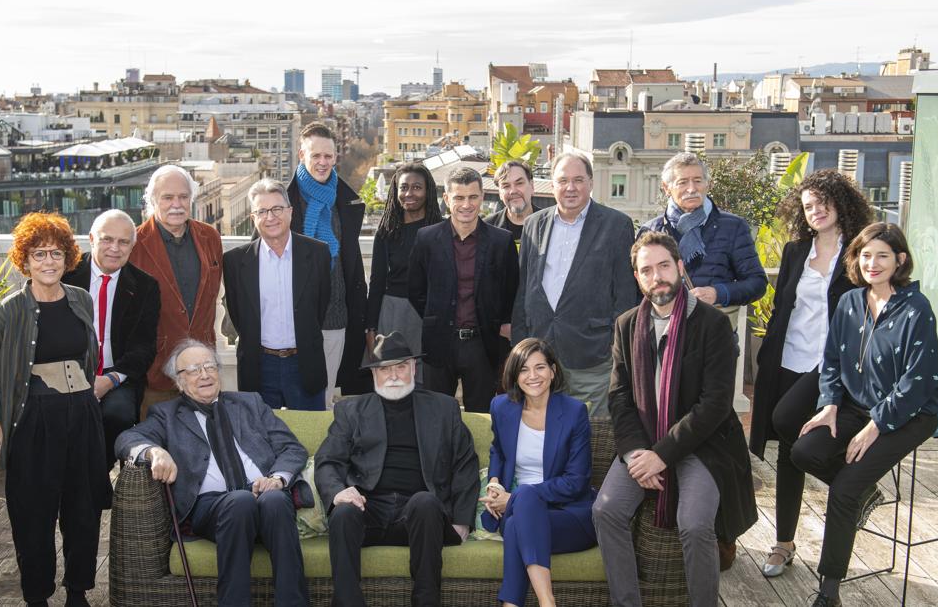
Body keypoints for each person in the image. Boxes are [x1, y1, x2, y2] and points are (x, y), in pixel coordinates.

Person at [593, 231, 757, 607]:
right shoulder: (627, 324)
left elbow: (714, 404)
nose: (657, 276)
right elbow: (619, 395)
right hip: (643, 442)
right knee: (606, 510)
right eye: (646, 270)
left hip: (702, 444)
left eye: (664, 265)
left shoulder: (712, 324)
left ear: (681, 267)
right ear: (637, 278)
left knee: (697, 524)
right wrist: (636, 453)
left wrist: (662, 454)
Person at [792, 223, 938, 607]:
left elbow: (919, 380)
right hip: (855, 407)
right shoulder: (850, 302)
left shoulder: (916, 309)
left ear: (900, 261)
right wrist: (829, 405)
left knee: (843, 490)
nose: (872, 263)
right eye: (865, 254)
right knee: (803, 452)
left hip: (908, 414)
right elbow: (832, 361)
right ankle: (866, 491)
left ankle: (828, 592)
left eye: (883, 255)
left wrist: (877, 426)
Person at [115, 338, 310, 607]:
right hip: (211, 507)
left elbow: (291, 447)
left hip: (265, 496)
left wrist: (277, 478)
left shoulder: (250, 403)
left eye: (209, 366)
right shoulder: (166, 414)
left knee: (276, 500)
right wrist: (153, 451)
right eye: (194, 369)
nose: (205, 374)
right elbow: (126, 438)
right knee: (239, 502)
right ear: (179, 381)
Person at [749, 170, 872, 577]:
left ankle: (853, 485)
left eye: (823, 202)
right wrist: (766, 358)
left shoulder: (859, 253)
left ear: (841, 203)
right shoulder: (795, 250)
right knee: (787, 451)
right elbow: (784, 307)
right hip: (787, 359)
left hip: (830, 365)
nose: (815, 210)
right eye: (807, 206)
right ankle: (783, 543)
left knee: (787, 424)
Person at [0, 212, 111, 607]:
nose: (48, 262)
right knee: (33, 515)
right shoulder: (8, 311)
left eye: (56, 253)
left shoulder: (81, 300)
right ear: (24, 260)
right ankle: (37, 596)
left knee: (83, 511)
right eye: (38, 254)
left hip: (81, 415)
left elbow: (89, 358)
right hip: (34, 420)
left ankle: (78, 592)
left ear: (68, 257)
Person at [315, 331, 481, 607]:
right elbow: (327, 460)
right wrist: (338, 493)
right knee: (344, 513)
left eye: (401, 367)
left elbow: (465, 464)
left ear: (414, 368)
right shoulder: (351, 410)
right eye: (384, 369)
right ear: (374, 375)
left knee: (425, 502)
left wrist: (462, 520)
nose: (393, 375)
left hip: (419, 517)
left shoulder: (444, 408)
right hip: (368, 509)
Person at [512, 149, 641, 416]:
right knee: (544, 431)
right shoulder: (534, 224)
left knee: (591, 437)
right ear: (553, 184)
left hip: (592, 357)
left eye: (578, 180)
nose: (570, 187)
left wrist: (614, 347)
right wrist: (521, 344)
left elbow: (626, 296)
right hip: (541, 355)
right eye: (562, 180)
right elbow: (524, 288)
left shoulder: (617, 225)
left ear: (591, 183)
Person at [482, 338, 597, 607]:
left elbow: (577, 482)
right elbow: (498, 449)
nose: (532, 376)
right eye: (523, 369)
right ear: (514, 374)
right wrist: (495, 481)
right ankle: (547, 603)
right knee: (520, 511)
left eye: (540, 367)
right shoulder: (501, 407)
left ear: (553, 371)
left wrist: (515, 498)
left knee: (514, 524)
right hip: (520, 509)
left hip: (569, 514)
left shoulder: (573, 412)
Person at [408, 166, 519, 412]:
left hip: (483, 345)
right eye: (459, 197)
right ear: (447, 199)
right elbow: (415, 290)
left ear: (482, 197)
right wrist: (435, 316)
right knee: (435, 415)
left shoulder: (501, 241)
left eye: (472, 197)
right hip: (438, 343)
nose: (466, 205)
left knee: (481, 417)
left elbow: (511, 290)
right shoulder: (426, 239)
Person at [63, 209, 161, 470]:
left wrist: (110, 380)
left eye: (123, 241)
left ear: (133, 245)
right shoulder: (66, 276)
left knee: (116, 415)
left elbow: (144, 348)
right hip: (69, 372)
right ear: (92, 238)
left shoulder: (145, 286)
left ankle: (98, 477)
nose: (115, 248)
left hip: (118, 375)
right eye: (107, 239)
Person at [223, 178, 332, 410]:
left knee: (308, 440)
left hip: (304, 364)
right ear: (253, 218)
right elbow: (238, 313)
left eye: (277, 209)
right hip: (259, 366)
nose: (270, 217)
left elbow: (319, 308)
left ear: (290, 212)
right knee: (259, 441)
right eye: (262, 211)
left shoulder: (318, 253)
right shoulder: (235, 262)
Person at [129, 164, 224, 409]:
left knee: (206, 442)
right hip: (157, 374)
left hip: (203, 373)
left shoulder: (210, 238)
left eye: (183, 197)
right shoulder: (134, 245)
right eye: (168, 197)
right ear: (152, 201)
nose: (177, 204)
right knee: (159, 443)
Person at [287, 122, 368, 401]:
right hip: (293, 319)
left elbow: (351, 261)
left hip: (335, 318)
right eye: (315, 156)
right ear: (301, 155)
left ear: (336, 157)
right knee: (293, 398)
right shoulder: (283, 201)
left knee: (324, 398)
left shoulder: (345, 201)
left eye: (328, 156)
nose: (322, 163)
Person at [640, 152, 766, 309]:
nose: (691, 189)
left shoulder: (733, 227)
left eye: (698, 181)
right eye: (683, 182)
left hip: (714, 327)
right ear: (666, 188)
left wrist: (717, 293)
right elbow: (638, 285)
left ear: (708, 184)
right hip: (665, 329)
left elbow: (757, 283)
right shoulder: (651, 230)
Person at [365, 162, 442, 363]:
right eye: (404, 187)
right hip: (392, 313)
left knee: (425, 382)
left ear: (428, 191)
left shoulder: (441, 231)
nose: (409, 193)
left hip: (429, 315)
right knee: (391, 378)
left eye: (417, 187)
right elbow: (376, 282)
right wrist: (370, 327)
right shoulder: (387, 231)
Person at [485, 159, 535, 245]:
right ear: (500, 193)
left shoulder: (550, 224)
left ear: (532, 186)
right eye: (506, 186)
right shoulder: (486, 228)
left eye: (519, 183)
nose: (513, 191)